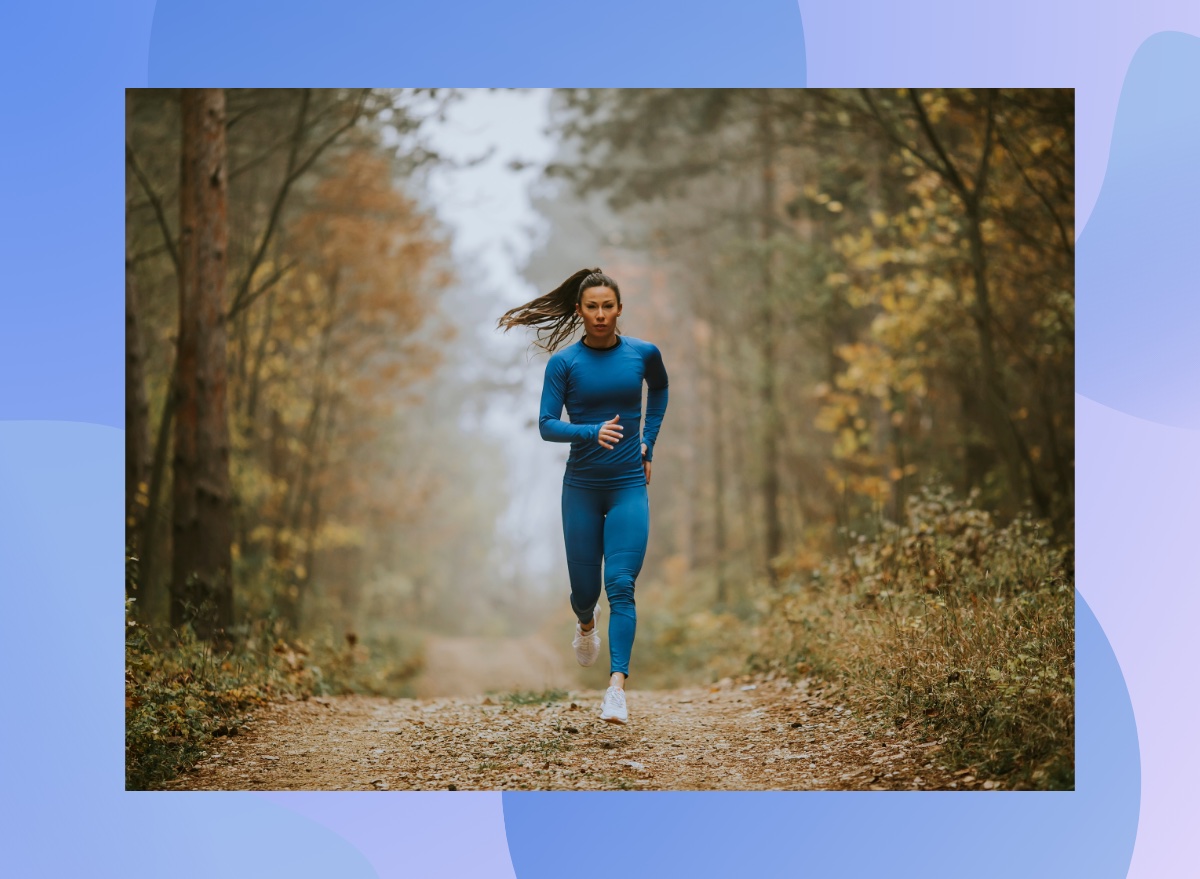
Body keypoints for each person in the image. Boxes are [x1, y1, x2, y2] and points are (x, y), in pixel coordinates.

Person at [497, 267, 669, 724]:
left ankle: (616, 689)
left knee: (622, 586)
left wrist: (648, 438)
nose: (599, 315)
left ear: (619, 308)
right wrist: (593, 431)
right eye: (591, 307)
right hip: (582, 489)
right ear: (579, 310)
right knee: (585, 592)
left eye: (607, 306)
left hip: (629, 484)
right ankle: (584, 623)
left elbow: (662, 387)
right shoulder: (565, 364)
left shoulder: (642, 354)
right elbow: (547, 424)